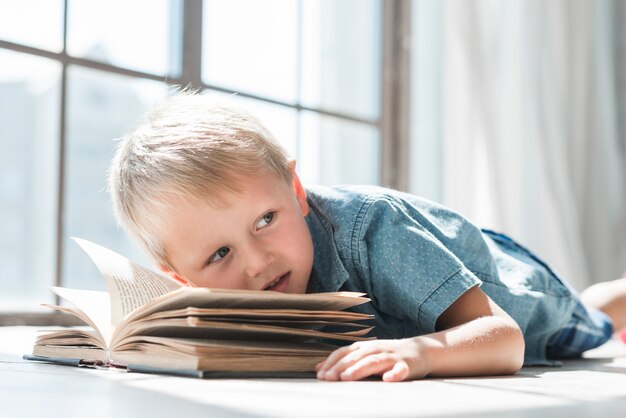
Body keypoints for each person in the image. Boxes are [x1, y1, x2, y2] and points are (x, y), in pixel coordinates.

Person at [108, 91, 626, 382]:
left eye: (266, 220)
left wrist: (419, 353)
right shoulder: (237, 296)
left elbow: (506, 339)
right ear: (181, 281)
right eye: (219, 253)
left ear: (295, 190)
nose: (258, 262)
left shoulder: (369, 228)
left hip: (515, 298)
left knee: (592, 318)